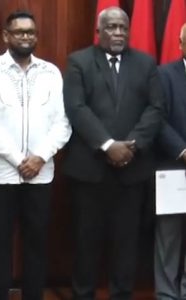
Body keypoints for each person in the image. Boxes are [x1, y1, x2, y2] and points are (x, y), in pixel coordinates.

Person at [62, 7, 165, 300]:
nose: (118, 32)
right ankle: (83, 295)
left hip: (132, 170)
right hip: (90, 170)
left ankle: (121, 294)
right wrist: (108, 145)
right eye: (111, 27)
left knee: (126, 242)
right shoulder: (79, 61)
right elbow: (76, 108)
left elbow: (156, 108)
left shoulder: (146, 64)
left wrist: (131, 145)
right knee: (86, 241)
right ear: (99, 31)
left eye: (123, 27)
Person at [0, 10, 71, 300]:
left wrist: (39, 156)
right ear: (6, 36)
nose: (26, 37)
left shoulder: (51, 72)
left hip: (40, 175)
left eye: (31, 32)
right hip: (0, 175)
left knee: (37, 244)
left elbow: (62, 122)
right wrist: (18, 159)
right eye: (19, 32)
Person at [154, 23, 186, 300]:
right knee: (169, 237)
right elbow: (157, 119)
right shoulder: (163, 75)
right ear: (180, 43)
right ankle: (167, 294)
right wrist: (183, 150)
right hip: (174, 167)